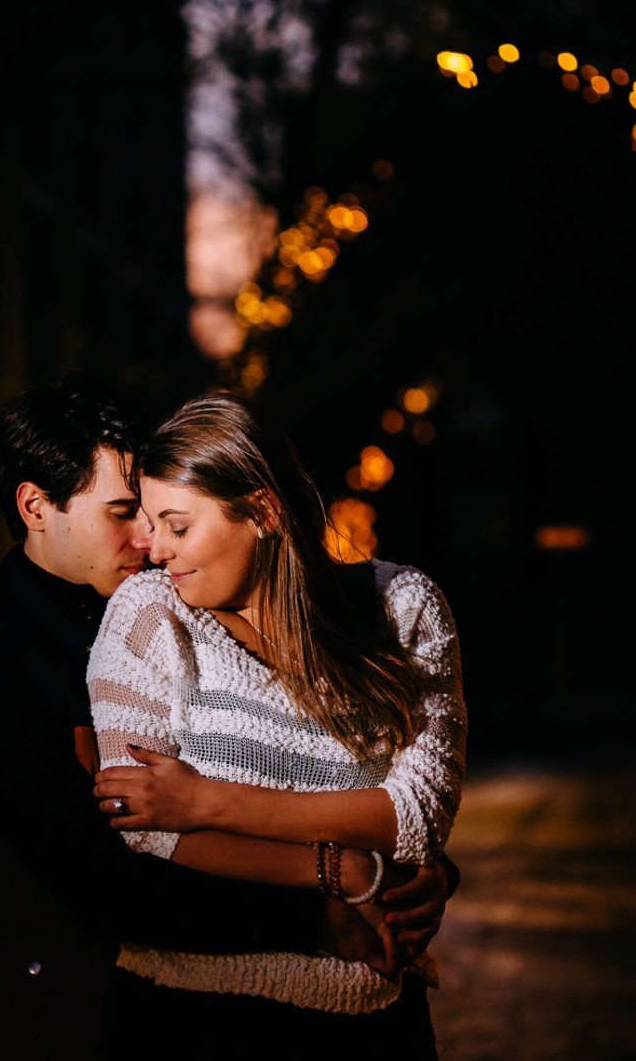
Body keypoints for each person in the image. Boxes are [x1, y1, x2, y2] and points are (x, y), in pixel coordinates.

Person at [0, 376, 454, 1060]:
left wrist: (410, 868)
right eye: (122, 512)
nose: (147, 539)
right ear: (35, 507)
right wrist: (328, 891)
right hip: (44, 1030)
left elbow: (318, 772)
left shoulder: (184, 612)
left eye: (163, 515)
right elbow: (110, 882)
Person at [86, 393, 467, 1055]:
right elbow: (142, 827)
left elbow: (416, 814)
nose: (156, 551)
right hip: (185, 1017)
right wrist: (340, 869)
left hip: (368, 1020)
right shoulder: (150, 615)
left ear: (263, 511)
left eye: (178, 526)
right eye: (151, 526)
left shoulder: (402, 607)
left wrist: (206, 802)